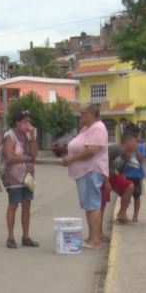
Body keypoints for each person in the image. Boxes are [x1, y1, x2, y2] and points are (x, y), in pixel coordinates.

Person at [62, 103, 109, 250]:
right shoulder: (86, 129)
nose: (81, 116)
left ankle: (95, 239)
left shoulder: (98, 128)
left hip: (91, 170)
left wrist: (71, 159)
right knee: (88, 205)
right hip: (84, 172)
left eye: (83, 113)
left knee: (93, 204)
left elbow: (92, 150)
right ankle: (91, 236)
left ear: (93, 114)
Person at [3, 108, 39, 249]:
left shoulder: (29, 137)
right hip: (14, 177)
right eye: (25, 122)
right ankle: (11, 237)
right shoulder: (10, 136)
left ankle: (26, 236)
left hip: (28, 177)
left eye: (29, 122)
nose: (28, 125)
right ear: (18, 123)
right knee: (13, 205)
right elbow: (10, 157)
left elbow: (35, 154)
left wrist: (33, 137)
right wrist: (28, 158)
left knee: (27, 205)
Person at [124, 126, 146, 223]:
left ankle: (135, 215)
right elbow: (126, 160)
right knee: (125, 195)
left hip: (137, 175)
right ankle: (124, 213)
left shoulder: (141, 147)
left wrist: (137, 149)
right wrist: (130, 151)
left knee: (136, 195)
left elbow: (141, 160)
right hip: (127, 174)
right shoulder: (125, 147)